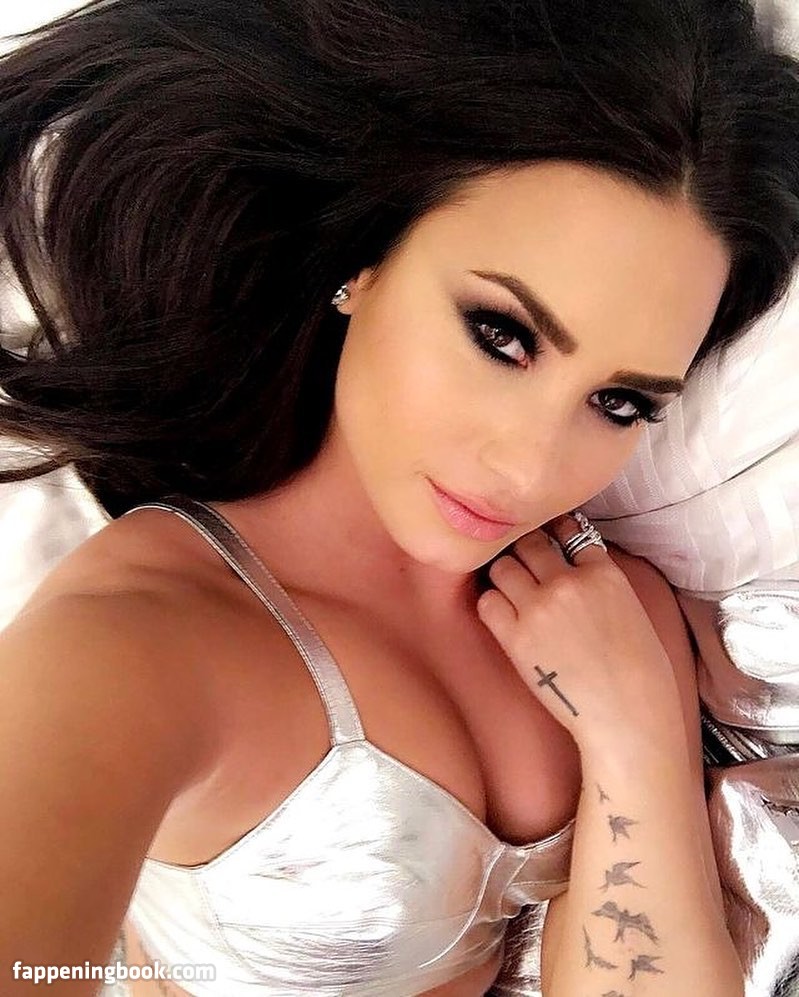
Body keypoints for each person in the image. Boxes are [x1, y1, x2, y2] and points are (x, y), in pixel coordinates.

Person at [1, 1, 798, 995]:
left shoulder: (614, 611)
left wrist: (635, 726)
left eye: (618, 401)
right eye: (501, 335)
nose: (527, 467)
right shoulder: (128, 648)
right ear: (363, 260)